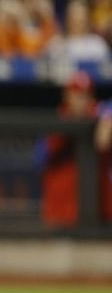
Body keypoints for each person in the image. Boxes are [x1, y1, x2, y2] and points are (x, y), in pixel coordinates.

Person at [36, 71, 112, 227]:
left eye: (86, 95)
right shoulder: (58, 123)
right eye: (77, 95)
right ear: (67, 96)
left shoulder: (102, 117)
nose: (82, 100)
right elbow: (38, 159)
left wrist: (108, 115)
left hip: (99, 215)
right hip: (63, 216)